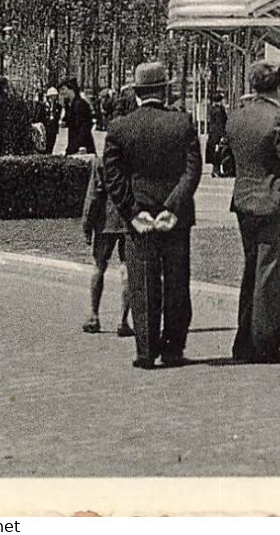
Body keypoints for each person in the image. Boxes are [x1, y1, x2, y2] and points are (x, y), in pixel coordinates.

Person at [101, 61, 201, 369]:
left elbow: (113, 176)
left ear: (137, 92)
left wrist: (133, 212)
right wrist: (172, 207)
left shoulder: (120, 126)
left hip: (139, 217)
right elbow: (192, 171)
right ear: (165, 89)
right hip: (177, 217)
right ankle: (172, 349)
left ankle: (145, 351)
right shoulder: (183, 122)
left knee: (142, 284)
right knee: (176, 283)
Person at [223, 61, 280, 364]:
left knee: (251, 272)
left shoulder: (237, 117)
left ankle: (244, 338)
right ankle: (266, 342)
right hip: (274, 205)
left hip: (245, 202)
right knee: (271, 275)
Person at [81, 150, 133, 338]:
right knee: (127, 269)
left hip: (105, 221)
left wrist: (87, 223)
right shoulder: (133, 157)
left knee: (98, 266)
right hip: (128, 221)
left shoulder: (101, 161)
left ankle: (94, 315)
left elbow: (93, 195)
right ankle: (123, 320)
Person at [61, 77, 97, 156]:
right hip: (74, 143)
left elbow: (85, 126)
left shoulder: (79, 104)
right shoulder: (71, 104)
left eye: (64, 89)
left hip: (82, 146)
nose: (62, 92)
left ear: (71, 90)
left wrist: (79, 145)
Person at [205, 90, 228, 177]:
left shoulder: (212, 109)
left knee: (215, 152)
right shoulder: (219, 111)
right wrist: (223, 135)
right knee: (218, 152)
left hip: (212, 134)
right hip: (217, 135)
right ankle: (216, 170)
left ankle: (215, 170)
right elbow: (220, 124)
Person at [40, 87, 63, 155]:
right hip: (45, 128)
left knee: (51, 144)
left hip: (53, 129)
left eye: (55, 96)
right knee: (45, 145)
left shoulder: (58, 106)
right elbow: (40, 117)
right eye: (52, 96)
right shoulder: (43, 106)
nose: (54, 97)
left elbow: (58, 117)